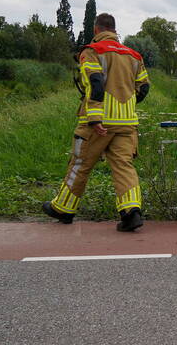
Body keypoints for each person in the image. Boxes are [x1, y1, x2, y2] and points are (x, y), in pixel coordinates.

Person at [42, 13, 151, 231]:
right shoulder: (134, 55)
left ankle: (63, 208)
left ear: (96, 30)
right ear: (114, 29)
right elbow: (144, 87)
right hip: (126, 122)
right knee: (123, 166)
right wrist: (126, 106)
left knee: (80, 164)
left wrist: (94, 117)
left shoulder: (92, 52)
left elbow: (95, 83)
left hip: (99, 122)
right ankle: (131, 212)